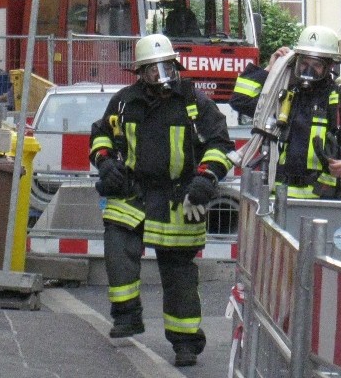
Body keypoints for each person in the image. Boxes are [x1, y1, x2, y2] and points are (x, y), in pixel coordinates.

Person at [89, 33, 234, 367]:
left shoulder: (194, 102)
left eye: (165, 67)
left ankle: (185, 342)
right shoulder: (125, 101)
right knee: (117, 248)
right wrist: (106, 162)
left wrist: (206, 177)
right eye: (152, 70)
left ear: (175, 65)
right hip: (133, 193)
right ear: (140, 72)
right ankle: (127, 315)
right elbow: (100, 134)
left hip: (179, 198)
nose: (161, 75)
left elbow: (221, 144)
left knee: (179, 274)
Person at [229, 25, 341, 199]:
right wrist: (269, 70)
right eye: (303, 63)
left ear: (330, 65)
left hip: (326, 199)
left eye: (316, 64)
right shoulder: (286, 96)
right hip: (281, 198)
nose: (308, 70)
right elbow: (240, 100)